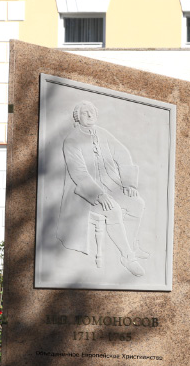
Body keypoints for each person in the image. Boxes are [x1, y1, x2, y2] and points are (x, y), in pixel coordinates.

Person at [56, 100, 148, 276]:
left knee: (137, 203)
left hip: (110, 185)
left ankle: (132, 246)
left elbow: (122, 154)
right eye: (85, 112)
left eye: (92, 111)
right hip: (84, 193)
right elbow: (79, 173)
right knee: (113, 210)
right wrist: (98, 195)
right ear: (77, 117)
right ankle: (127, 257)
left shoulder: (102, 133)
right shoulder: (72, 140)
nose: (90, 115)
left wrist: (128, 183)